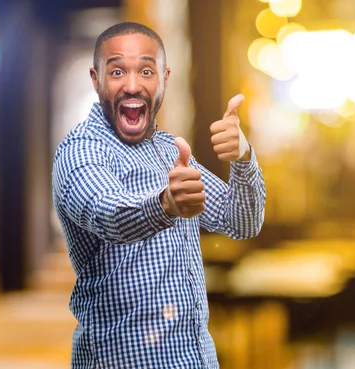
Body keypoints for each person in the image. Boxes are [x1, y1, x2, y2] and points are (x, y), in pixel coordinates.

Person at [52, 22, 266, 368]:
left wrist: (243, 158)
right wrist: (166, 204)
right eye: (118, 71)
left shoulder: (170, 150)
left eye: (147, 71)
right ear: (96, 79)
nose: (133, 85)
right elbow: (109, 213)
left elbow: (241, 222)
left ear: (165, 78)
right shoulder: (80, 152)